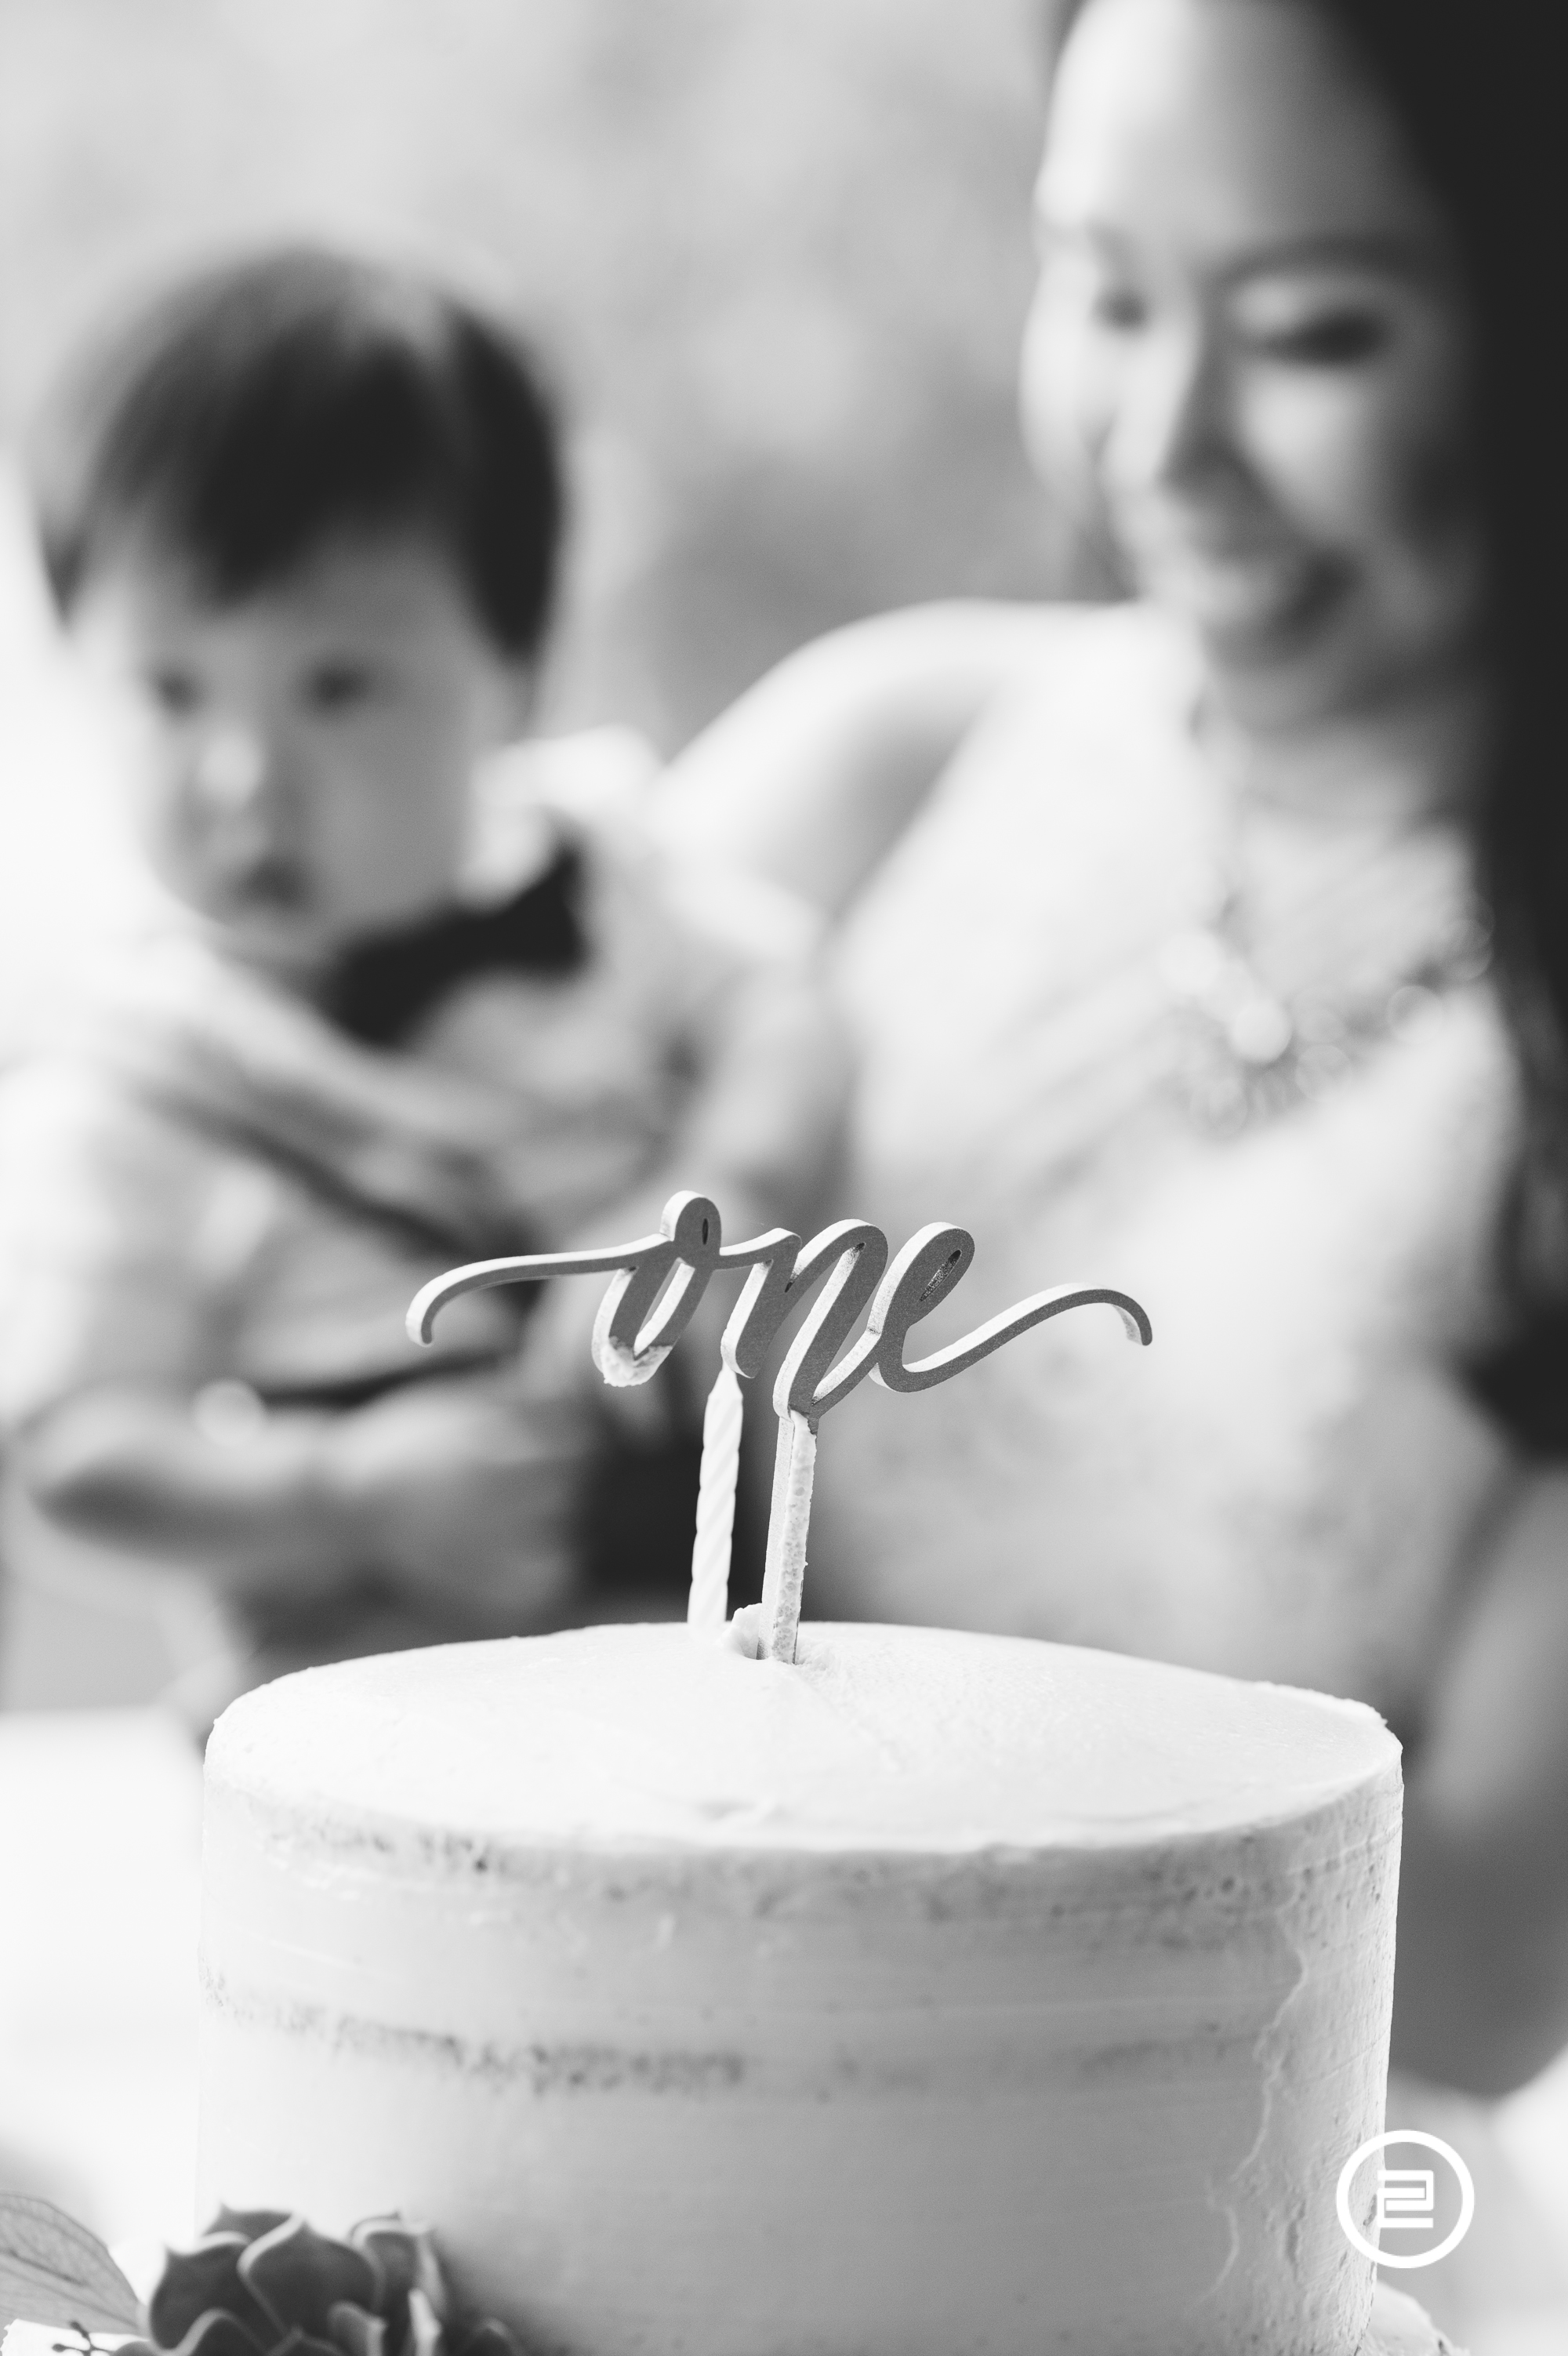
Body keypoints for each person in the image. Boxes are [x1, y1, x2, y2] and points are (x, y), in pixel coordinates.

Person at [659, 0, 1568, 2130]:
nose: (1164, 440)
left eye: (1311, 330)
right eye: (1103, 289)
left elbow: (1478, 1957)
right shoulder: (877, 768)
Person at [0, 245, 840, 1720]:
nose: (244, 776)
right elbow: (67, 1455)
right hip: (379, 1675)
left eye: (337, 687)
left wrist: (719, 1188)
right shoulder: (138, 1081)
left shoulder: (602, 880)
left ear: (513, 671)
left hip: (692, 1641)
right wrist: (341, 1494)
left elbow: (784, 1007)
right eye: (171, 689)